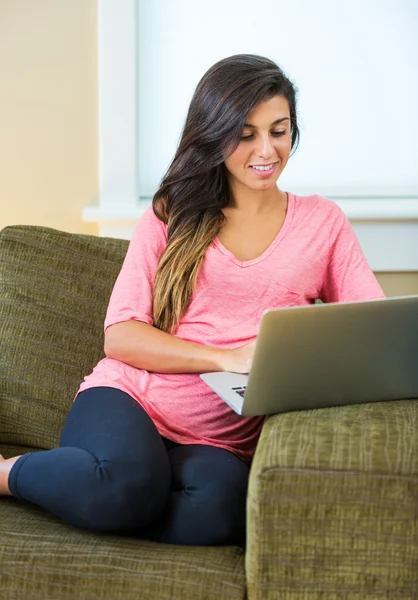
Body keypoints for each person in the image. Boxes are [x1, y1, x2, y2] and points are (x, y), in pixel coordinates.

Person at [0, 54, 385, 546]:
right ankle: (11, 475)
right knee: (128, 483)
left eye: (279, 130)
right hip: (129, 399)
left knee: (222, 512)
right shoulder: (172, 212)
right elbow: (121, 336)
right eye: (245, 134)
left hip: (219, 439)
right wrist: (228, 358)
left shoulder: (322, 224)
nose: (266, 149)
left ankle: (108, 498)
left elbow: (370, 332)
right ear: (214, 132)